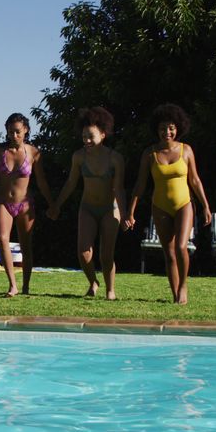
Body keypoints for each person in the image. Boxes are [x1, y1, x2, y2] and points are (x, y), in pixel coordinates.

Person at [123, 103, 212, 305]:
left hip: (184, 204)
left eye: (171, 127)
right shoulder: (149, 154)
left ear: (178, 127)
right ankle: (174, 294)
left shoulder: (186, 150)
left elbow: (195, 181)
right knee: (169, 253)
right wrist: (131, 212)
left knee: (181, 247)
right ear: (157, 129)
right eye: (163, 128)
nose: (167, 132)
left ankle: (183, 286)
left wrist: (205, 206)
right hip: (160, 206)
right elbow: (140, 185)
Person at [47, 107, 126, 300]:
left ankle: (110, 290)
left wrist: (125, 214)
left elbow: (119, 189)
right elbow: (71, 183)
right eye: (84, 137)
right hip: (88, 208)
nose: (87, 141)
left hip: (110, 209)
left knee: (106, 256)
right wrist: (56, 204)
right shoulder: (79, 157)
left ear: (103, 134)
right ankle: (93, 282)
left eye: (90, 136)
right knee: (84, 253)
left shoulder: (115, 159)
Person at [0, 113, 54, 297]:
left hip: (25, 204)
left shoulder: (34, 152)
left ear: (25, 130)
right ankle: (13, 285)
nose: (14, 136)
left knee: (26, 245)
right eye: (10, 132)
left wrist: (52, 204)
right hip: (3, 202)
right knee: (3, 239)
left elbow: (41, 182)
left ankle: (26, 285)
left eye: (17, 132)